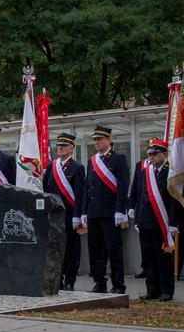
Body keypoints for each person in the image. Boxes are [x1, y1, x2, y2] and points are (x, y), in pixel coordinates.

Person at [81, 125, 130, 294]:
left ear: (109, 140)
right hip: (94, 212)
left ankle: (118, 284)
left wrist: (120, 209)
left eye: (100, 139)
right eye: (95, 139)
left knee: (113, 249)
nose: (96, 142)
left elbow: (123, 186)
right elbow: (88, 187)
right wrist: (84, 211)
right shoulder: (92, 161)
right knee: (95, 250)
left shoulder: (118, 158)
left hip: (110, 212)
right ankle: (99, 282)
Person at [132, 138, 177, 302]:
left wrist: (172, 223)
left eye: (154, 154)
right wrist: (137, 218)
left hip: (161, 222)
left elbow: (173, 200)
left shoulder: (170, 172)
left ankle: (166, 290)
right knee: (149, 258)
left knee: (163, 258)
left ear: (164, 154)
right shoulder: (146, 172)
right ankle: (152, 289)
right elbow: (139, 195)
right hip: (145, 221)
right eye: (149, 154)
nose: (150, 157)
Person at [42, 133, 85, 291]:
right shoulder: (51, 166)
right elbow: (46, 190)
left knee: (71, 249)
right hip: (54, 217)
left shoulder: (77, 168)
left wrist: (78, 215)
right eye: (58, 145)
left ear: (71, 148)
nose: (60, 148)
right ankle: (57, 279)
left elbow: (80, 194)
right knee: (55, 249)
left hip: (70, 215)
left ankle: (70, 280)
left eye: (64, 145)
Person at [128, 157, 150, 279]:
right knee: (144, 243)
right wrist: (131, 206)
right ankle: (145, 268)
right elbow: (136, 186)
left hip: (157, 212)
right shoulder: (140, 165)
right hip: (142, 210)